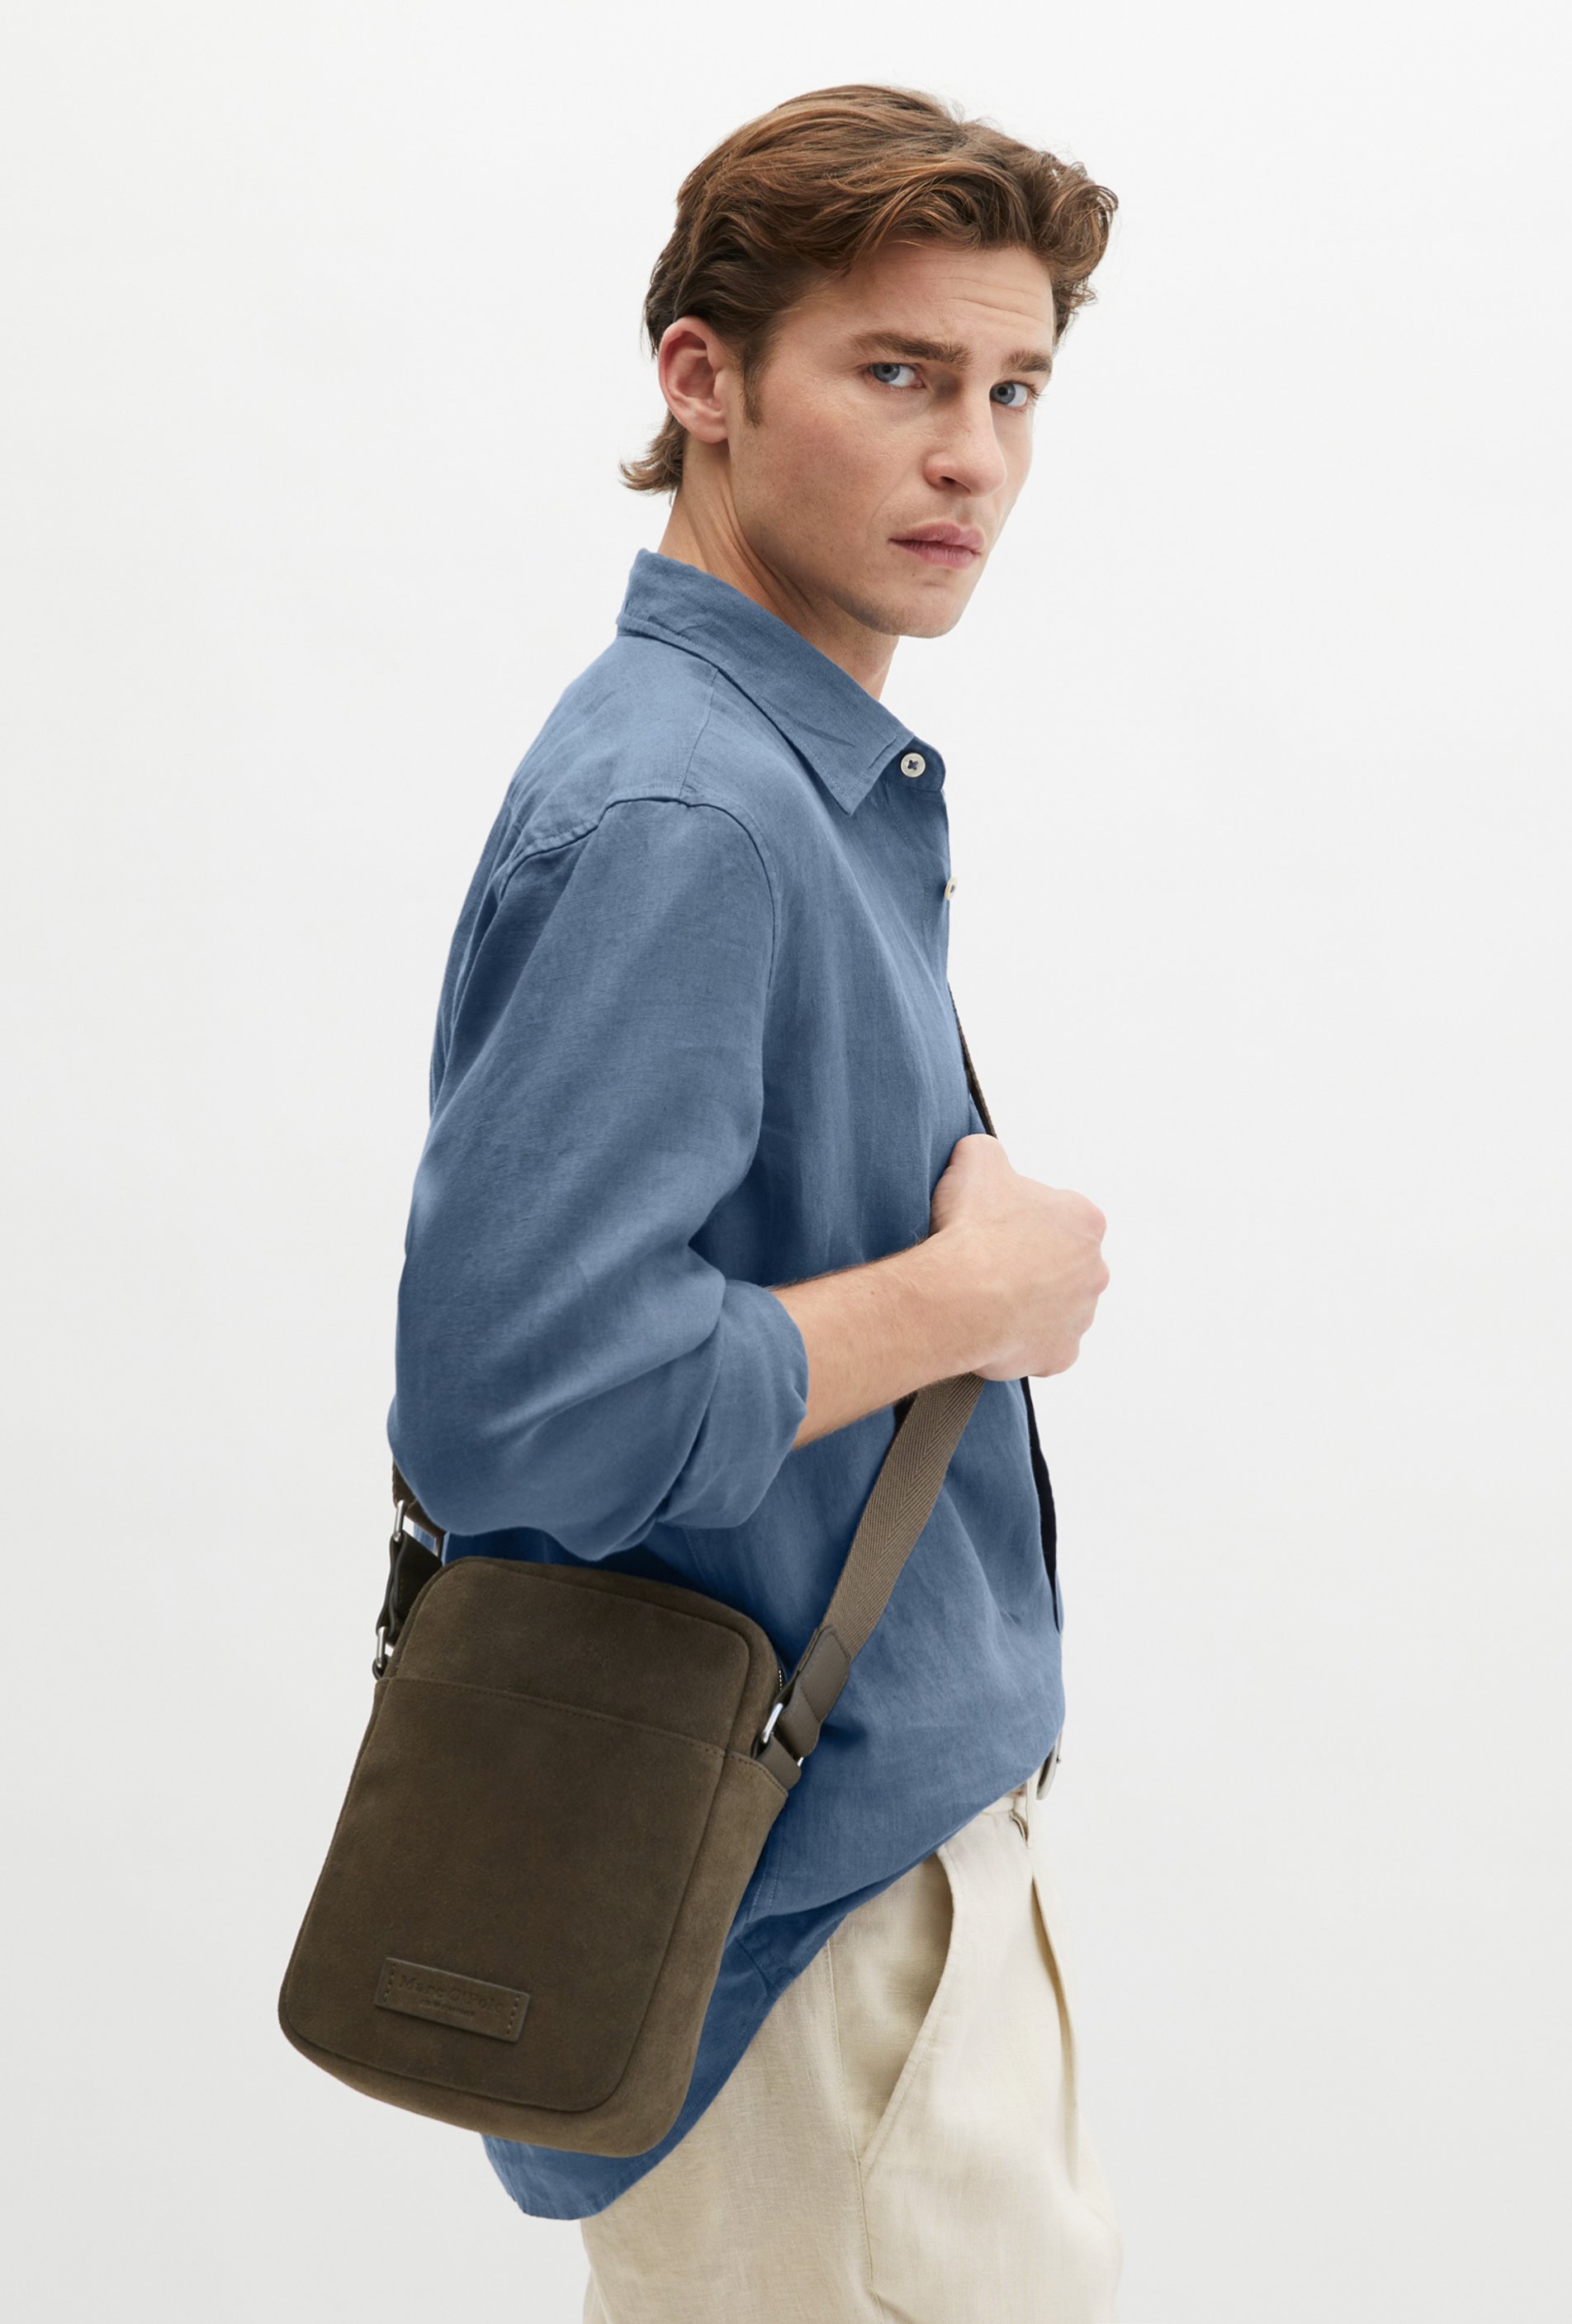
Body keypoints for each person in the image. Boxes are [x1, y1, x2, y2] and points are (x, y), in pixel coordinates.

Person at [388, 79, 1123, 2323]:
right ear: (701, 380)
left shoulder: (770, 778)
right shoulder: (692, 816)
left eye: (1013, 390)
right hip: (811, 1945)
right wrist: (972, 1297)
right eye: (898, 374)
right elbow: (525, 1408)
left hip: (835, 1884)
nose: (971, 456)